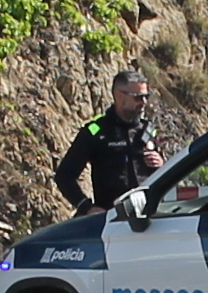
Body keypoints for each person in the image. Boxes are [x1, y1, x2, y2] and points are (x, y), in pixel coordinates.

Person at [54, 69, 162, 213]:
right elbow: (64, 176)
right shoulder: (96, 131)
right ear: (120, 96)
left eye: (146, 96)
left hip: (150, 216)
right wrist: (87, 207)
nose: (143, 102)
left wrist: (161, 164)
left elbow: (165, 176)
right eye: (138, 97)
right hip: (113, 219)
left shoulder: (148, 131)